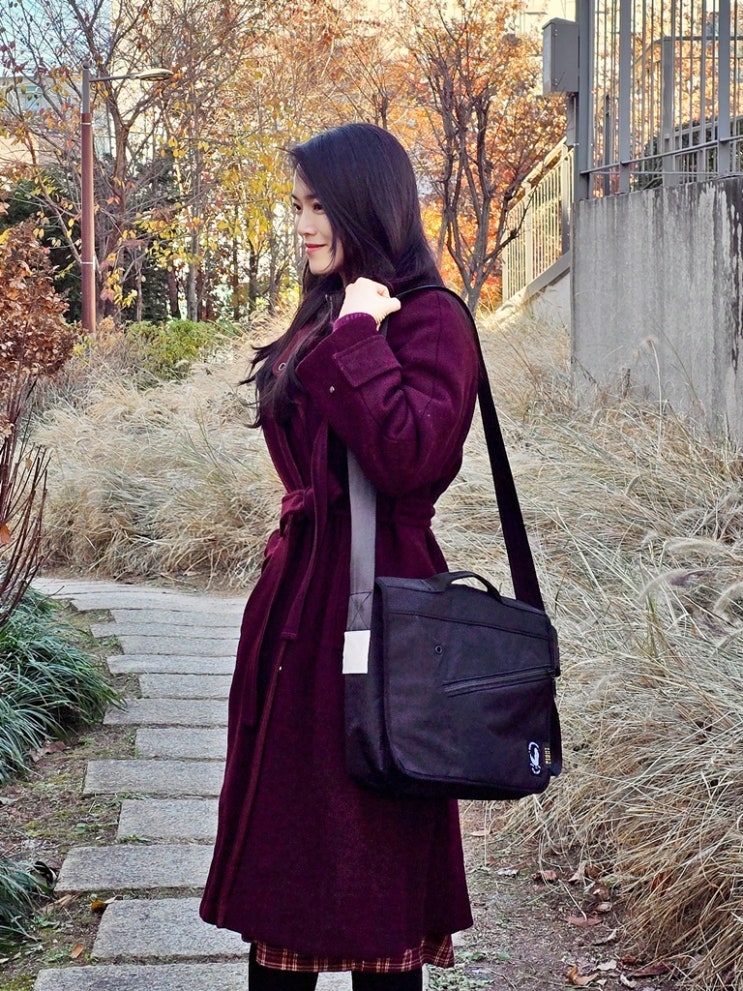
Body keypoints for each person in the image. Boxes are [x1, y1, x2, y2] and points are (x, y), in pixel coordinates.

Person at [200, 122, 480, 991]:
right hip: (299, 603)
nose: (302, 225)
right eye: (296, 206)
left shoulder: (431, 319)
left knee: (373, 872)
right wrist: (344, 322)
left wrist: (360, 332)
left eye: (318, 206)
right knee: (283, 877)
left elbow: (409, 457)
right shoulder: (325, 307)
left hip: (381, 608)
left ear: (367, 205)